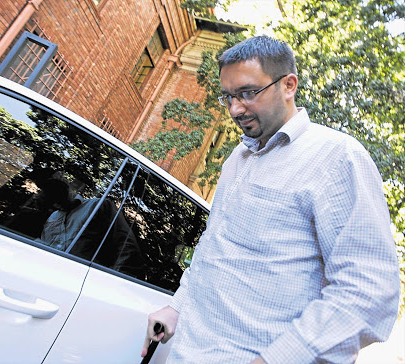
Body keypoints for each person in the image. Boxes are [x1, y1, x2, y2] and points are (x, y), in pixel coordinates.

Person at [141, 35, 400, 363]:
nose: (235, 109)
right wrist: (176, 307)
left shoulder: (337, 157)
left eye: (248, 93)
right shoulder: (238, 157)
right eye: (228, 97)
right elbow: (215, 248)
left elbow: (368, 292)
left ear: (288, 85)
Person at [39, 176, 144, 277]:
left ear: (66, 188)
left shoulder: (97, 206)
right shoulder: (52, 219)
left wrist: (112, 278)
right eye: (49, 196)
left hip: (86, 281)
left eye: (55, 191)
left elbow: (126, 245)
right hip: (51, 276)